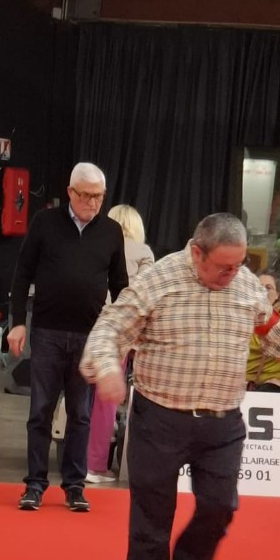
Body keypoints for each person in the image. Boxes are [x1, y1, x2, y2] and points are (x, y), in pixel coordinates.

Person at [81, 213, 280, 560]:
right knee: (152, 510)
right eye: (223, 267)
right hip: (159, 417)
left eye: (239, 265)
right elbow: (109, 328)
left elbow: (275, 328)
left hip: (221, 420)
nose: (232, 274)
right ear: (196, 252)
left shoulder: (245, 285)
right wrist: (108, 367)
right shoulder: (157, 281)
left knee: (221, 505)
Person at [6, 161, 128, 513]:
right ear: (70, 192)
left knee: (81, 414)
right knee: (40, 412)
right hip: (46, 331)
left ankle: (75, 485)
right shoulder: (45, 223)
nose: (93, 202)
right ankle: (34, 484)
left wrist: (121, 334)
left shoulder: (111, 231)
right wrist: (17, 322)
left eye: (99, 196)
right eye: (86, 195)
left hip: (90, 337)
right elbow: (22, 273)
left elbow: (121, 286)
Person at [87, 203, 154, 483]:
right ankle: (94, 464)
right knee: (106, 401)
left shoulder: (95, 244)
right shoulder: (143, 252)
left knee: (78, 397)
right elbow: (146, 295)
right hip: (117, 331)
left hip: (84, 321)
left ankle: (72, 458)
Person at [247, 271, 280, 392]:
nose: (263, 291)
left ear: (277, 295)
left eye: (268, 288)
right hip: (242, 383)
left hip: (272, 384)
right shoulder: (241, 316)